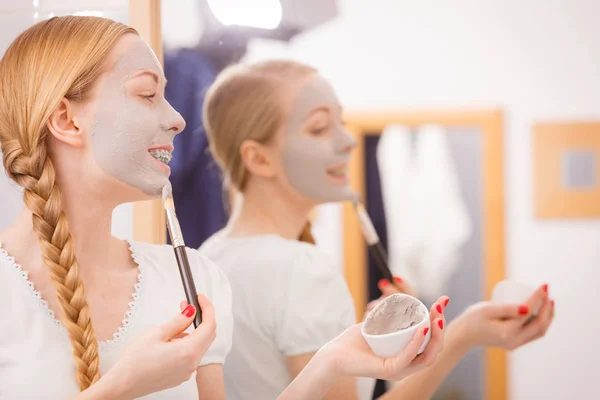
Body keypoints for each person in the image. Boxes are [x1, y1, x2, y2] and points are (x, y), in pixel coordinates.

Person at [0, 16, 447, 400]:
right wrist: (120, 387)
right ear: (66, 120)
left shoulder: (192, 279)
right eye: (146, 94)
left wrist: (331, 361)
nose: (177, 118)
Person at [199, 59, 555, 400]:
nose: (349, 141)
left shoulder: (206, 258)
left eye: (342, 122)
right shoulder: (304, 270)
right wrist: (464, 333)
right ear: (259, 159)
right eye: (320, 128)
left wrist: (379, 343)